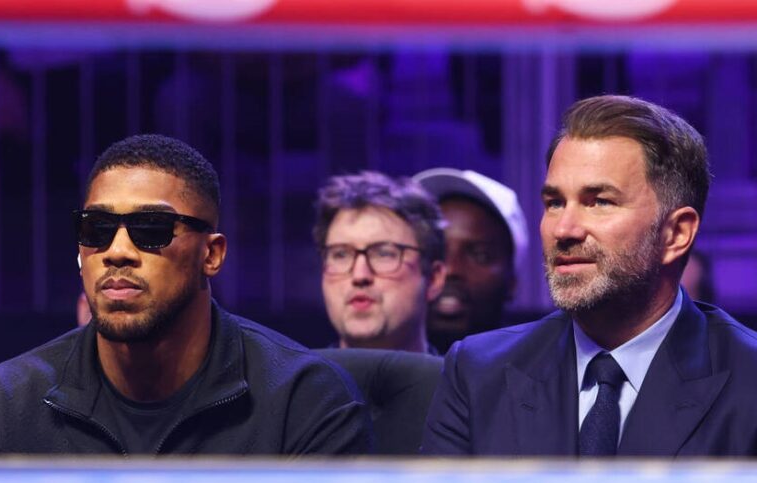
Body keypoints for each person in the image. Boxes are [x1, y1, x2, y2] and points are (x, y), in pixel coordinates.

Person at [0, 134, 372, 455]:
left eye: (151, 228)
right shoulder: (5, 406)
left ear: (211, 254)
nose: (116, 251)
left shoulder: (306, 402)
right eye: (97, 228)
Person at [422, 95, 757, 456]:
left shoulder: (748, 381)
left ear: (675, 233)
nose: (564, 229)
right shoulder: (477, 373)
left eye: (599, 202)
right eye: (555, 203)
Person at [313, 171, 446, 354]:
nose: (360, 275)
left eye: (384, 254)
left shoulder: (464, 374)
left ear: (433, 279)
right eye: (341, 255)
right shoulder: (289, 373)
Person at [413, 168, 528, 353]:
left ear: (512, 283)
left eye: (480, 255)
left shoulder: (546, 368)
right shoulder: (371, 364)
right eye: (436, 249)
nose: (451, 269)